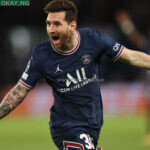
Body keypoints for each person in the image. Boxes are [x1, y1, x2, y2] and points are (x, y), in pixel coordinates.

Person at [0, 0, 150, 149]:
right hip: (66, 127)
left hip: (93, 125)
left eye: (57, 24)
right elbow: (19, 90)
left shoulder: (93, 39)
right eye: (48, 23)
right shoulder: (41, 54)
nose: (51, 29)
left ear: (72, 26)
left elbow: (132, 57)